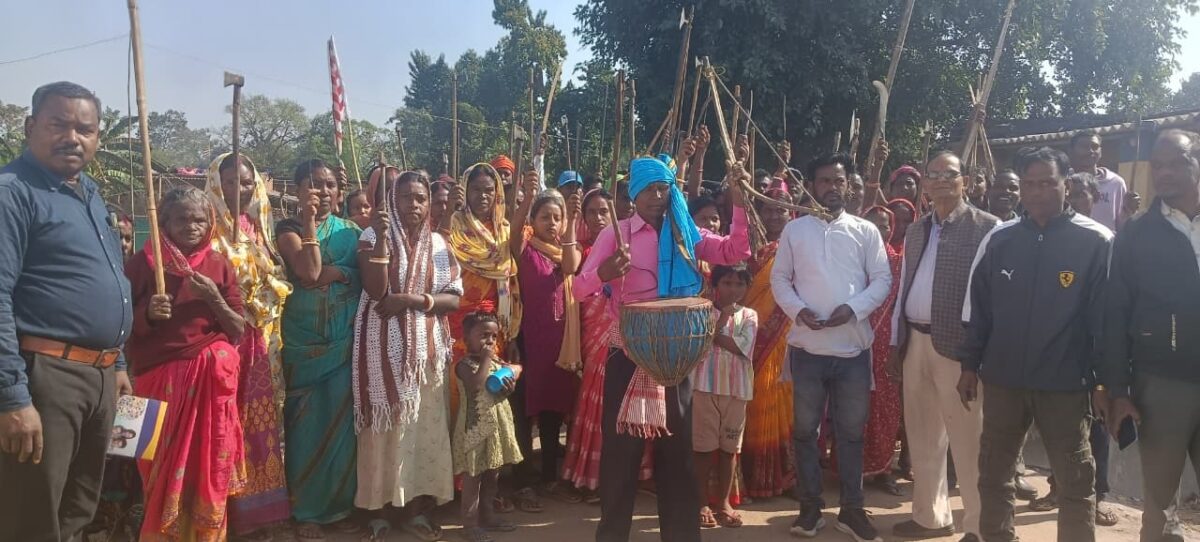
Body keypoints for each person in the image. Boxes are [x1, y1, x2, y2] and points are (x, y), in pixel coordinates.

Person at [575, 154, 751, 542]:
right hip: (628, 356)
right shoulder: (616, 234)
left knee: (678, 457)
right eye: (650, 189)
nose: (658, 196)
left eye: (664, 188)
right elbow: (577, 289)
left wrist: (738, 202)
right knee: (621, 457)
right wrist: (604, 273)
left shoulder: (685, 233)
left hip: (676, 358)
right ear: (634, 194)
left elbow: (734, 252)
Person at [0, 81, 133, 542]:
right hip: (46, 375)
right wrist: (12, 397)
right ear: (30, 126)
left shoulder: (90, 194)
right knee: (32, 514)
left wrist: (117, 362)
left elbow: (110, 279)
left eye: (85, 129)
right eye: (59, 125)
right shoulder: (13, 193)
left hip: (99, 376)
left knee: (78, 507)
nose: (72, 138)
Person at [961, 147, 1111, 542]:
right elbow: (980, 310)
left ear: (1067, 184)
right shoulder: (1000, 239)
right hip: (1004, 381)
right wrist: (969, 365)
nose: (1037, 192)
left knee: (1075, 481)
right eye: (1029, 184)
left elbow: (1106, 323)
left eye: (1047, 182)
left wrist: (1103, 383)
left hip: (1065, 384)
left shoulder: (1096, 241)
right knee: (994, 474)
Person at [771, 151, 891, 541]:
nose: (832, 188)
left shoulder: (865, 230)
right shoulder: (795, 230)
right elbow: (780, 279)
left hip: (852, 350)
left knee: (851, 433)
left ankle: (852, 511)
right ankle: (810, 510)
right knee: (805, 432)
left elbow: (882, 279)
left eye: (839, 181)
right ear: (811, 186)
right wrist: (798, 310)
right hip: (807, 350)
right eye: (824, 181)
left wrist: (853, 309)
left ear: (848, 186)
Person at [887, 150, 1000, 542]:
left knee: (969, 441)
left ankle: (980, 526)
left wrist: (977, 357)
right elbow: (904, 286)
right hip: (915, 342)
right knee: (922, 436)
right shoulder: (917, 229)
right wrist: (895, 341)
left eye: (948, 174)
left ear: (964, 180)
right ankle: (930, 517)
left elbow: (992, 299)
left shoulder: (987, 228)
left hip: (959, 350)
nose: (940, 181)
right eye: (932, 175)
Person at [125, 187, 247, 541]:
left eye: (199, 220)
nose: (191, 227)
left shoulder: (219, 264)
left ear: (210, 223)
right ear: (164, 222)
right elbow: (116, 322)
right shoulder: (142, 263)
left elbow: (238, 328)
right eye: (181, 219)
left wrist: (213, 297)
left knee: (208, 466)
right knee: (145, 463)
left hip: (210, 386)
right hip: (150, 379)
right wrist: (147, 314)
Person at [353, 170, 463, 540]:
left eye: (420, 198)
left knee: (421, 432)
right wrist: (382, 239)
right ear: (391, 201)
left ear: (429, 203)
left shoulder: (438, 243)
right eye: (405, 197)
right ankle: (380, 512)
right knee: (385, 431)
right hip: (381, 349)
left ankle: (416, 510)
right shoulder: (372, 236)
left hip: (426, 355)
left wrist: (410, 300)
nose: (413, 204)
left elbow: (453, 298)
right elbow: (377, 290)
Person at [1104, 130, 1200, 542]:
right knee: (1159, 507)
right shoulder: (1137, 233)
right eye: (1157, 165)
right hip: (1161, 384)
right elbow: (1114, 313)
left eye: (1176, 163)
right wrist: (1118, 389)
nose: (1164, 173)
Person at [204, 153, 294, 537]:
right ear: (216, 185)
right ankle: (220, 515)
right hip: (225, 343)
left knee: (262, 424)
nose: (239, 190)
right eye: (230, 182)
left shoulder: (260, 229)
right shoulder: (207, 231)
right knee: (225, 426)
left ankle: (259, 513)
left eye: (246, 182)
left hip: (263, 343)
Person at [276, 158, 363, 539]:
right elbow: (308, 272)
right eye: (313, 185)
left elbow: (366, 274)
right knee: (305, 428)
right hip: (303, 343)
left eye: (329, 185)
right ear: (297, 190)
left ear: (339, 191)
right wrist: (310, 223)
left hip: (344, 341)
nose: (323, 192)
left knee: (342, 428)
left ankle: (339, 506)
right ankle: (307, 511)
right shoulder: (288, 229)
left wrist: (341, 272)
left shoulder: (351, 230)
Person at [1028, 169, 1119, 527]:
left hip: (1093, 356)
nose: (1077, 199)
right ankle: (1056, 487)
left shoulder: (1102, 240)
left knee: (1097, 430)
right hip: (1059, 356)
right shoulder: (1054, 239)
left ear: (1095, 199)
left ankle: (1098, 496)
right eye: (1074, 192)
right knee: (1061, 432)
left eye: (1084, 194)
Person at [562, 189, 654, 497]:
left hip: (630, 332)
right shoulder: (583, 247)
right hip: (597, 331)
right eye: (592, 212)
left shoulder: (628, 242)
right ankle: (593, 476)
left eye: (605, 211)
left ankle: (633, 476)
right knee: (599, 403)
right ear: (584, 217)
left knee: (634, 403)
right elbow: (575, 281)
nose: (599, 217)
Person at [511, 175, 583, 503]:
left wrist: (571, 223)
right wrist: (527, 197)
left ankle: (550, 478)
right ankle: (522, 481)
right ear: (533, 220)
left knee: (554, 412)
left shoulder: (568, 250)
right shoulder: (525, 249)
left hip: (559, 346)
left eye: (557, 217)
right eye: (545, 217)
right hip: (530, 342)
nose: (551, 223)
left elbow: (570, 267)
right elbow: (514, 232)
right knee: (526, 412)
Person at [742, 189, 798, 499]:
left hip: (787, 335)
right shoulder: (749, 247)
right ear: (759, 213)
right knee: (755, 402)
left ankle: (786, 476)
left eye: (781, 210)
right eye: (769, 210)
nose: (775, 216)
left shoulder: (798, 248)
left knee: (787, 404)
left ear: (791, 214)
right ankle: (753, 478)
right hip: (752, 338)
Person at [693, 265, 757, 530]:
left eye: (739, 284)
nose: (733, 289)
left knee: (730, 449)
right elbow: (699, 343)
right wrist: (722, 321)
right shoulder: (702, 311)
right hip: (704, 387)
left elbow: (740, 347)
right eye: (727, 283)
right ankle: (700, 503)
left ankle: (723, 503)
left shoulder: (750, 315)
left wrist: (713, 334)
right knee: (703, 449)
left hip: (736, 389)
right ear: (715, 285)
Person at [453, 310, 524, 542]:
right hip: (474, 431)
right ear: (466, 339)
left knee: (492, 476)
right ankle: (469, 524)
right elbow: (476, 386)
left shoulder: (496, 362)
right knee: (473, 479)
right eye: (483, 336)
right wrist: (486, 359)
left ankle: (488, 515)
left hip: (495, 429)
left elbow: (501, 388)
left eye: (494, 336)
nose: (490, 341)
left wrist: (509, 385)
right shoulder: (464, 365)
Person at [854, 205, 903, 496]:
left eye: (884, 225)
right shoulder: (850, 258)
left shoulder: (898, 262)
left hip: (887, 344)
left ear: (891, 229)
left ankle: (883, 468)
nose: (878, 229)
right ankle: (852, 469)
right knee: (852, 406)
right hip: (854, 339)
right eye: (872, 223)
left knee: (885, 407)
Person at [1069, 131, 1128, 231]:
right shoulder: (1063, 181)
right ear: (1071, 151)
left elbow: (1122, 223)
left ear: (1100, 152)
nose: (1090, 151)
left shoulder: (1116, 183)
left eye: (1095, 147)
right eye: (1084, 147)